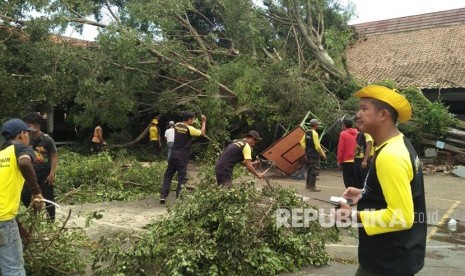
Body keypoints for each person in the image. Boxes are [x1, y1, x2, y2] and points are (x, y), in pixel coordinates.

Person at [335, 85, 426, 275]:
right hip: (397, 255)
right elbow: (402, 191)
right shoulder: (399, 143)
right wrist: (365, 193)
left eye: (364, 109)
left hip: (387, 262)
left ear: (383, 115)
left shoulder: (391, 155)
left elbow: (401, 217)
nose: (357, 114)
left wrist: (351, 215)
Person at [1, 118, 44, 275]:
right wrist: (36, 192)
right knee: (13, 269)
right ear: (21, 135)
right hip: (3, 221)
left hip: (5, 220)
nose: (29, 137)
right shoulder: (21, 149)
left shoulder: (1, 153)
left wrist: (17, 225)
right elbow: (25, 164)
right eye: (28, 134)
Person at [159, 112, 206, 203]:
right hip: (182, 156)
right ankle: (179, 197)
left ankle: (163, 196)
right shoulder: (190, 129)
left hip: (173, 154)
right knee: (182, 177)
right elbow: (202, 133)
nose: (193, 121)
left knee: (168, 175)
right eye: (192, 119)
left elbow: (184, 126)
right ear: (189, 119)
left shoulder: (177, 125)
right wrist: (203, 121)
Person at [21, 112, 58, 222]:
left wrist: (52, 173)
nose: (27, 127)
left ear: (37, 125)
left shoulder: (47, 139)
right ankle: (35, 218)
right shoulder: (27, 138)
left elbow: (54, 156)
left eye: (29, 125)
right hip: (31, 172)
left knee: (48, 198)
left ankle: (51, 222)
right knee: (25, 194)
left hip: (45, 173)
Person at [300, 119, 327, 192]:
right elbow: (317, 147)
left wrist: (306, 150)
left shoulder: (307, 132)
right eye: (317, 124)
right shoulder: (315, 133)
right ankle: (313, 187)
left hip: (308, 154)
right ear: (315, 125)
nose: (318, 125)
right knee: (314, 170)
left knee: (309, 169)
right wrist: (323, 155)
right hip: (314, 155)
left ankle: (308, 185)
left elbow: (301, 143)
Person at [337, 117, 358, 188]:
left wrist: (339, 160)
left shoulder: (343, 134)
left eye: (342, 125)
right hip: (356, 159)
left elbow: (341, 148)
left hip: (346, 160)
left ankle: (349, 195)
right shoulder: (357, 133)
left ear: (344, 125)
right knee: (355, 178)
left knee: (347, 179)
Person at [353, 122, 374, 189]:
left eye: (358, 124)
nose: (356, 125)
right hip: (357, 158)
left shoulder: (367, 133)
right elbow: (357, 145)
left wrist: (365, 160)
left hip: (363, 159)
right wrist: (353, 153)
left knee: (364, 178)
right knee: (357, 178)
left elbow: (369, 145)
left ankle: (365, 194)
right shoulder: (359, 134)